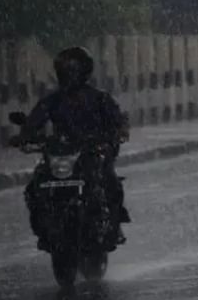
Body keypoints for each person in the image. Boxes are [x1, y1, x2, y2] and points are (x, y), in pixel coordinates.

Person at [21, 46, 129, 251]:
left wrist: (118, 132)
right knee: (34, 187)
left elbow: (118, 120)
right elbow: (34, 121)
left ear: (84, 71)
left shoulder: (99, 98)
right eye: (65, 68)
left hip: (91, 152)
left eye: (73, 68)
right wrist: (24, 135)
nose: (69, 73)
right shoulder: (52, 100)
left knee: (110, 182)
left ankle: (113, 227)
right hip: (60, 154)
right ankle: (43, 229)